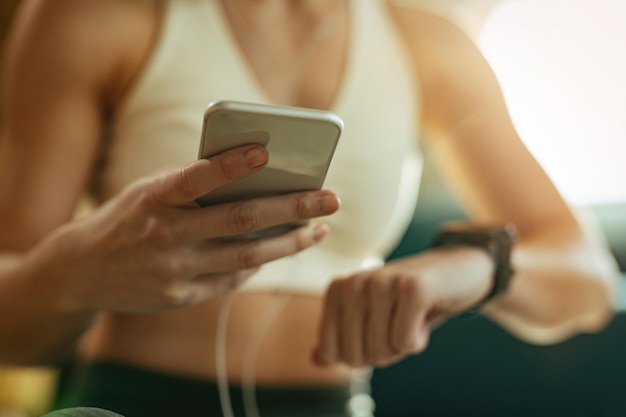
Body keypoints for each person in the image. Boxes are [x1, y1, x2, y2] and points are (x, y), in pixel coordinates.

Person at [0, 0, 620, 416]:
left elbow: (586, 280)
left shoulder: (421, 40)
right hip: (132, 400)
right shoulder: (94, 17)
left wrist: (473, 265)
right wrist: (76, 272)